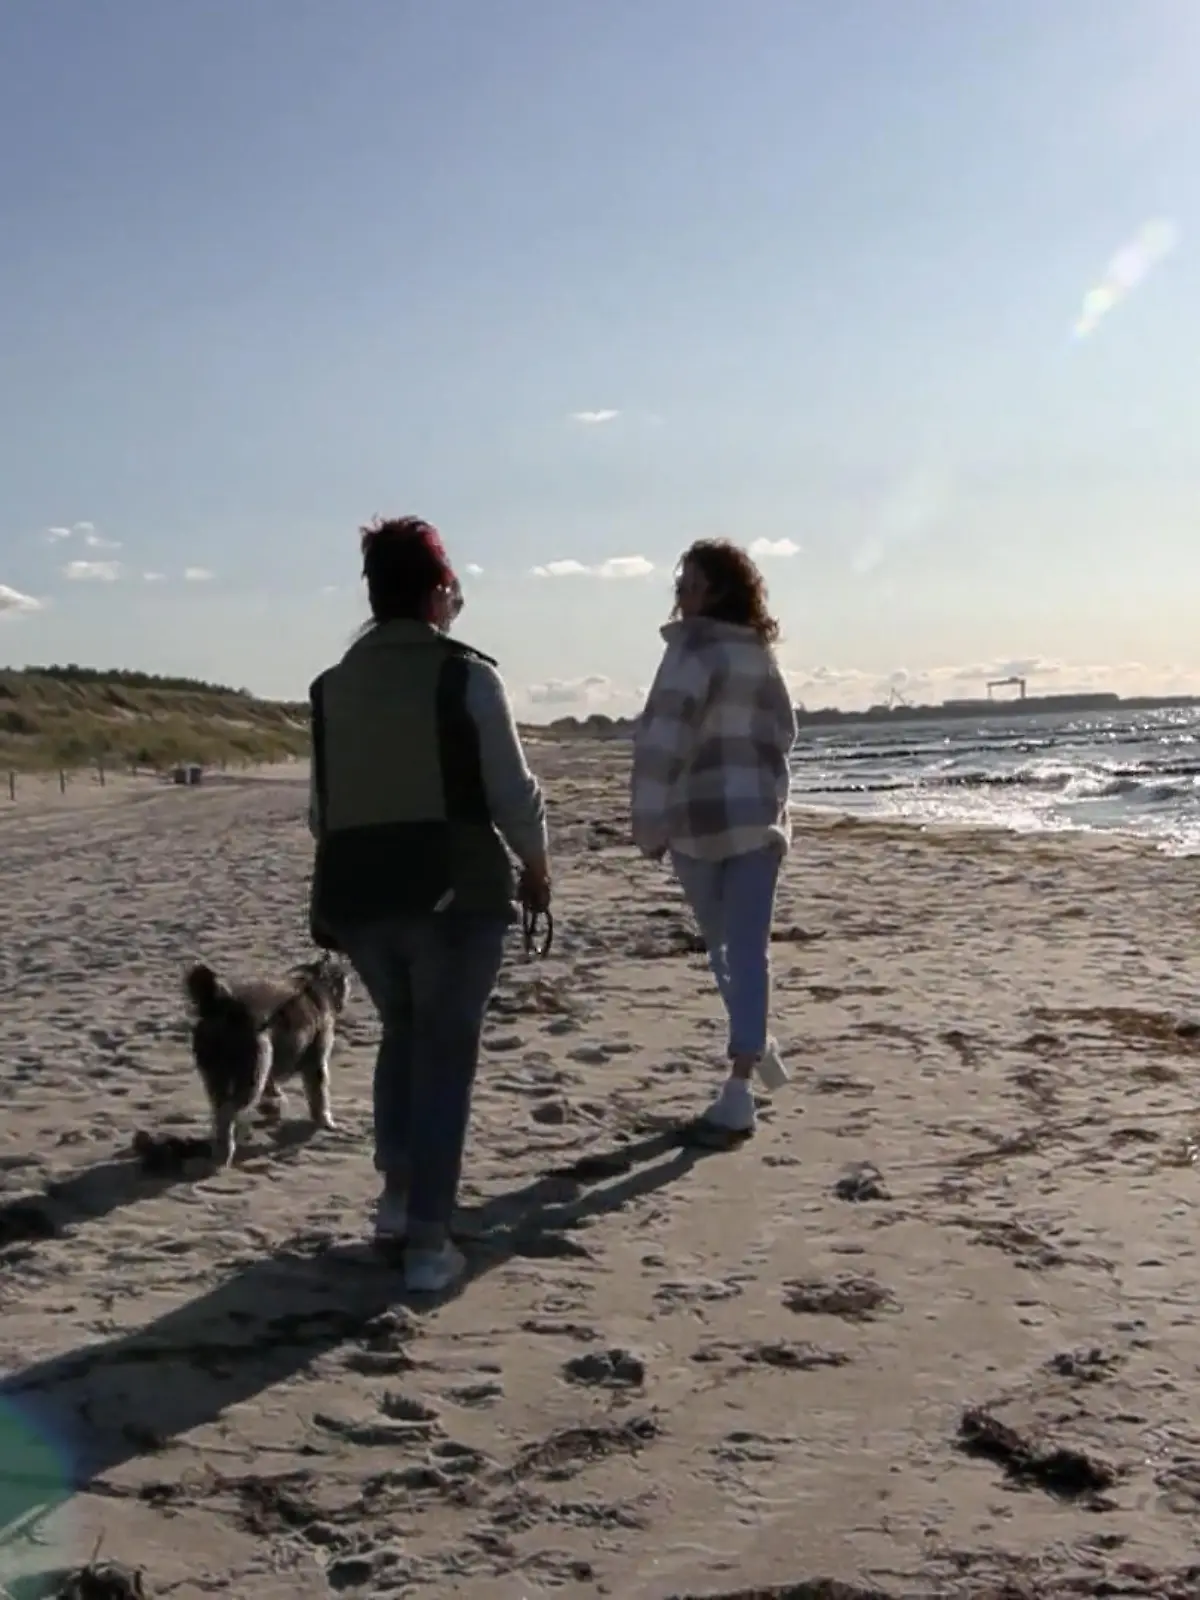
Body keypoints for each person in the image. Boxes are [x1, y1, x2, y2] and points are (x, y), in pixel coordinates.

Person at [307, 517, 550, 1292]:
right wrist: (537, 866)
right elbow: (513, 795)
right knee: (446, 1055)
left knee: (402, 1036)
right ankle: (426, 1242)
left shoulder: (330, 687)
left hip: (355, 894)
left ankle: (397, 1197)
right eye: (453, 591)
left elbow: (321, 813)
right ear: (439, 592)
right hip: (451, 892)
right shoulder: (468, 676)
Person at [630, 539, 797, 1135]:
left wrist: (648, 822)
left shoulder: (691, 653)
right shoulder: (760, 655)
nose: (680, 597)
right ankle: (755, 1051)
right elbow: (784, 731)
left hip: (704, 821)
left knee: (733, 950)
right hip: (747, 818)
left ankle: (740, 1085)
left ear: (718, 591)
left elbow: (660, 741)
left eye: (689, 585)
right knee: (740, 949)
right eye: (680, 586)